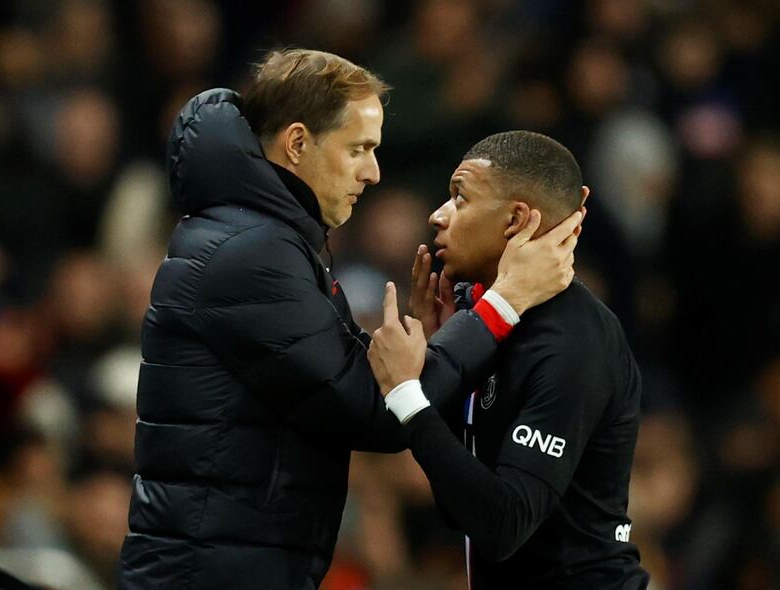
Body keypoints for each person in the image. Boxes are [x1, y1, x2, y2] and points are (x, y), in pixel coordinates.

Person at [117, 50, 584, 589]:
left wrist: (428, 341)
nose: (374, 171)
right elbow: (376, 407)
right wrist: (504, 302)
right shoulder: (252, 252)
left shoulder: (265, 238)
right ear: (297, 143)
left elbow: (368, 381)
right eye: (359, 149)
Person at [369, 131, 649, 588]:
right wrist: (446, 374)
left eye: (460, 198)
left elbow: (504, 526)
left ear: (516, 220)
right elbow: (459, 506)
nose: (437, 216)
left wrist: (407, 396)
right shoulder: (495, 326)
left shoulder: (572, 339)